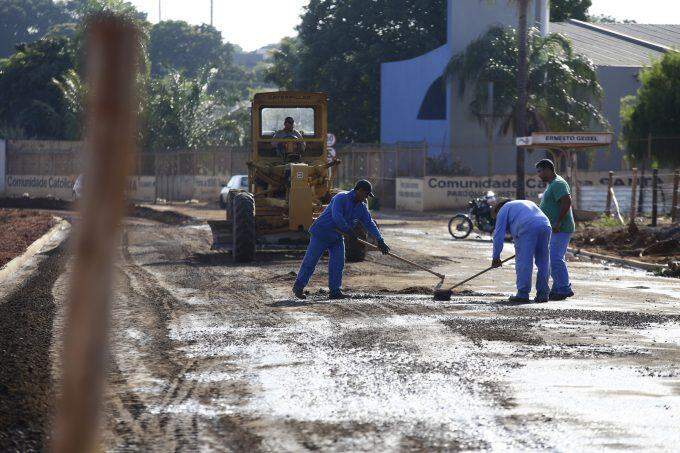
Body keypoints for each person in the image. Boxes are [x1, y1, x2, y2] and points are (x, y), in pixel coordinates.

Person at [293, 180, 390, 300]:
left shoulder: (361, 207)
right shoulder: (341, 198)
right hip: (322, 232)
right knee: (311, 261)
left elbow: (369, 223)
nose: (366, 198)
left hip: (337, 237)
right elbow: (336, 216)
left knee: (338, 263)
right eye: (366, 194)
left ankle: (334, 291)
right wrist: (349, 231)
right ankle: (298, 287)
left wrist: (380, 240)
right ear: (359, 191)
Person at [491, 198, 552, 303]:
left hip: (527, 226)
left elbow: (498, 235)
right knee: (543, 261)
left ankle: (522, 294)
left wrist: (496, 257)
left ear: (498, 209)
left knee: (524, 261)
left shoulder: (503, 209)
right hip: (545, 224)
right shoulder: (526, 203)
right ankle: (543, 294)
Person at [536, 159, 575, 301]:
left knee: (556, 258)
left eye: (540, 171)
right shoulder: (553, 184)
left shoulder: (558, 183)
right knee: (554, 258)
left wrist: (558, 222)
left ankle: (564, 288)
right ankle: (558, 287)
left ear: (548, 169)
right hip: (555, 228)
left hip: (561, 228)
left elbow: (567, 201)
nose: (539, 175)